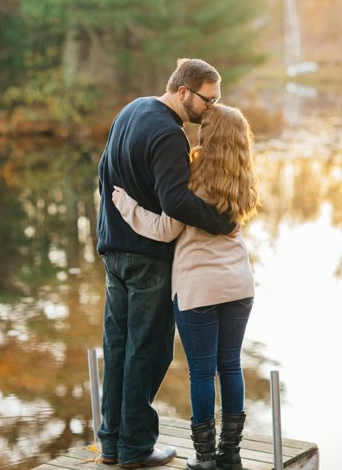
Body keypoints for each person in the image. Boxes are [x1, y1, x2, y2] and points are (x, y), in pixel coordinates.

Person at [95, 58, 238, 468]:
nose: (211, 108)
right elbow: (175, 200)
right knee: (149, 350)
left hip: (115, 253)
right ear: (183, 92)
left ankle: (111, 443)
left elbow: (105, 174)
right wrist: (220, 222)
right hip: (148, 259)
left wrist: (108, 235)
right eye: (208, 100)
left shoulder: (130, 110)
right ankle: (136, 447)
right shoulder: (170, 135)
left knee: (118, 346)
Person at [112, 103, 258, 470]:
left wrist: (126, 205)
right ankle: (232, 454)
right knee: (231, 366)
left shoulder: (193, 175)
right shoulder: (244, 178)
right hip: (239, 284)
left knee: (202, 372)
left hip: (198, 287)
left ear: (208, 135)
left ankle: (205, 457)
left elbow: (165, 229)